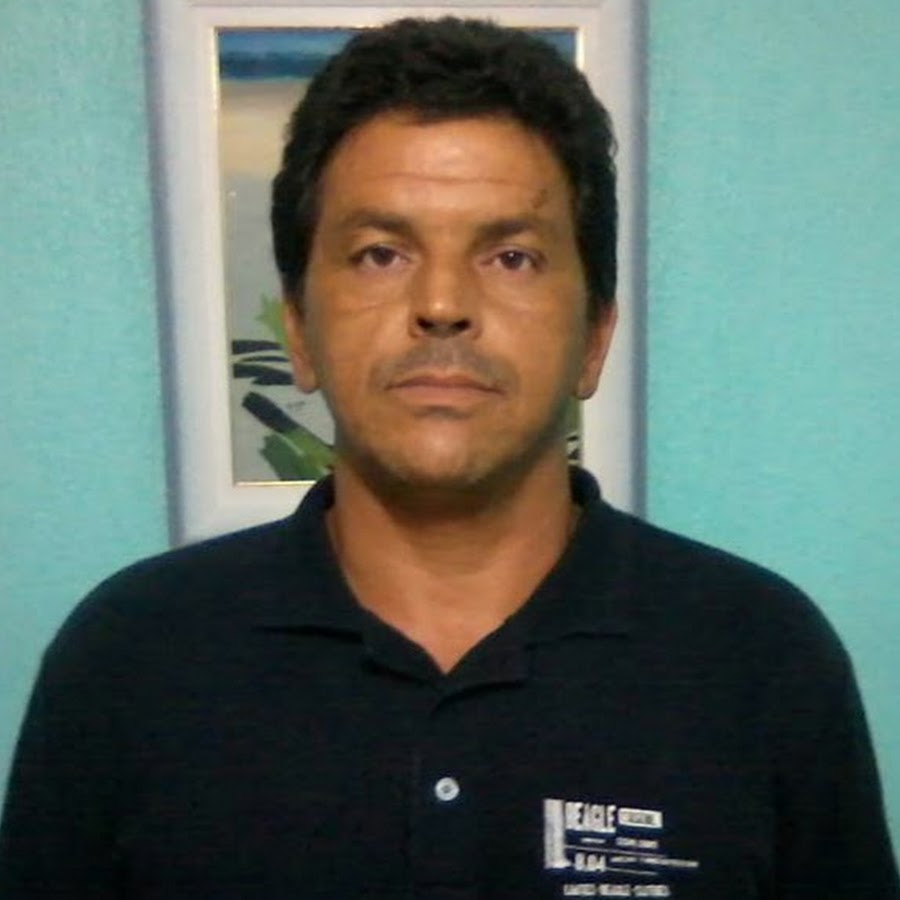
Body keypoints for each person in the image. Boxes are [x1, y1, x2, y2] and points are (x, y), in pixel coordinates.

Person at [0, 16, 896, 899]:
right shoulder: (129, 657)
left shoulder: (760, 657)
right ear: (299, 330)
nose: (441, 303)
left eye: (511, 256)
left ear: (595, 337)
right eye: (380, 253)